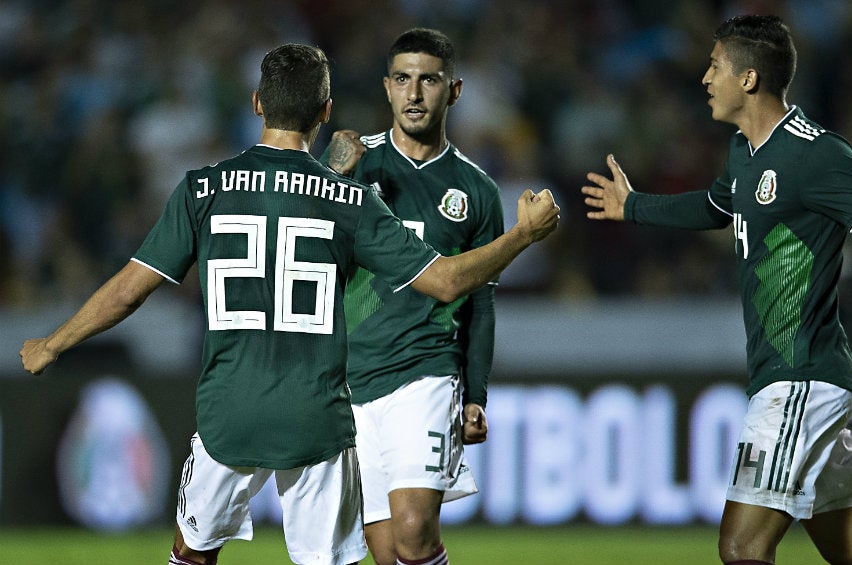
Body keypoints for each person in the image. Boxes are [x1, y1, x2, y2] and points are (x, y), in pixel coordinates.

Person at [20, 43, 559, 565]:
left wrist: (53, 343)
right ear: (325, 111)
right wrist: (521, 237)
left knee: (192, 553)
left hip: (229, 411)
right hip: (316, 418)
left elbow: (128, 290)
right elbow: (445, 281)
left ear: (257, 103)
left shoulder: (202, 189)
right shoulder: (350, 202)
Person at [581, 15, 852, 565]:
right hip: (792, 377)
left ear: (748, 79)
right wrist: (635, 206)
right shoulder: (745, 152)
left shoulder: (815, 153)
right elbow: (717, 207)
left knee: (742, 544)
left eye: (714, 65)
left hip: (801, 379)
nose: (704, 78)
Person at [320, 28, 499, 565]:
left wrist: (476, 394)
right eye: (403, 79)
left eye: (429, 80)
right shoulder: (355, 162)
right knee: (387, 551)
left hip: (425, 372)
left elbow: (481, 303)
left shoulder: (477, 190)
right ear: (386, 88)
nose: (415, 94)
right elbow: (308, 255)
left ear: (455, 90)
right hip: (353, 378)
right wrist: (330, 177)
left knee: (415, 528)